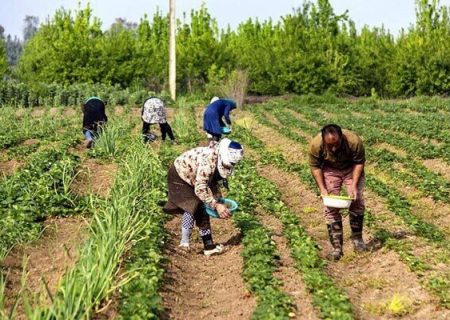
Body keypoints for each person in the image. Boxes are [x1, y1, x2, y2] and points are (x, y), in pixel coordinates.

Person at [163, 138, 244, 256]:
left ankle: (208, 245)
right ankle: (184, 244)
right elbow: (200, 187)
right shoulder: (209, 161)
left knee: (203, 209)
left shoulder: (219, 158)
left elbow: (212, 181)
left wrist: (217, 200)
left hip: (195, 177)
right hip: (181, 175)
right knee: (192, 206)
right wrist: (216, 205)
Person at [308, 124, 367, 261]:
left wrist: (353, 185)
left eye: (336, 143)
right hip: (330, 170)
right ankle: (336, 248)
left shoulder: (354, 141)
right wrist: (322, 188)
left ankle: (357, 240)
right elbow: (315, 167)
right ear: (323, 140)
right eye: (329, 145)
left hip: (351, 168)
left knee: (356, 200)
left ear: (341, 137)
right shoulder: (316, 145)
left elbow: (359, 163)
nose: (333, 148)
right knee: (331, 205)